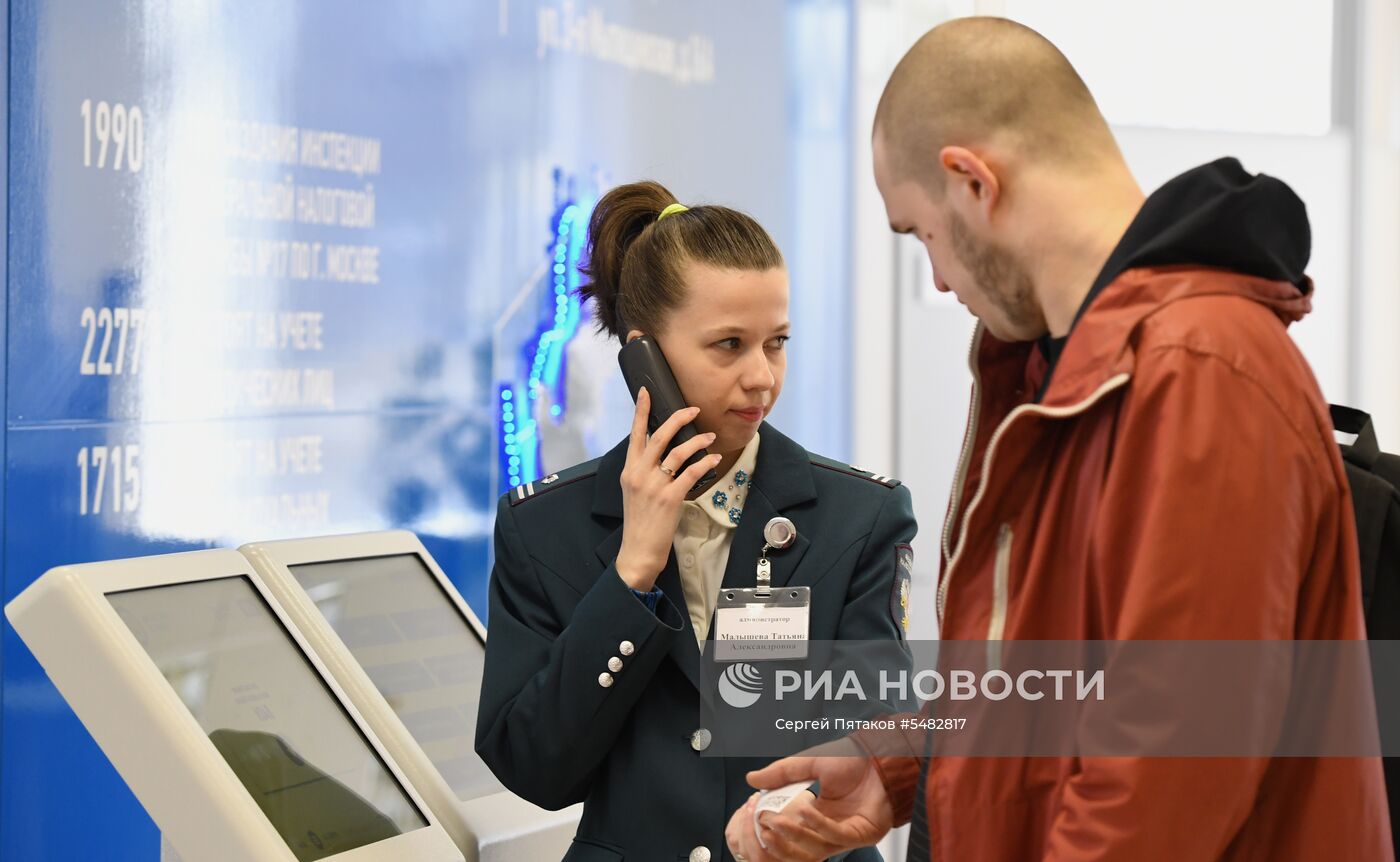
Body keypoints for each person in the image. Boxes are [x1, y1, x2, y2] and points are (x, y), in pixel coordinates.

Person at [725, 16, 1394, 862]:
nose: (938, 276)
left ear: (972, 181)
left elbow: (1162, 785)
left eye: (922, 234)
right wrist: (900, 763)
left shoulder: (1199, 369)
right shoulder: (1070, 372)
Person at [476, 180, 918, 862]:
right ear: (641, 355)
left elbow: (873, 731)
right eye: (728, 345)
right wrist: (630, 577)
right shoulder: (544, 530)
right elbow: (534, 767)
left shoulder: (859, 519)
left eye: (776, 343)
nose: (760, 377)